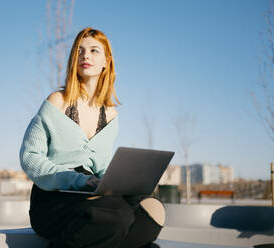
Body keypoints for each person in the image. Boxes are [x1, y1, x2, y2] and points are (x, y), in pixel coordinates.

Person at [20, 27, 165, 248]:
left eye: (94, 51)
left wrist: (119, 182)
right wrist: (78, 180)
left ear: (106, 61)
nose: (85, 56)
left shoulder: (111, 115)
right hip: (55, 197)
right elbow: (30, 158)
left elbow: (102, 166)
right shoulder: (56, 102)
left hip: (93, 196)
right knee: (116, 216)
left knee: (151, 211)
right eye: (79, 50)